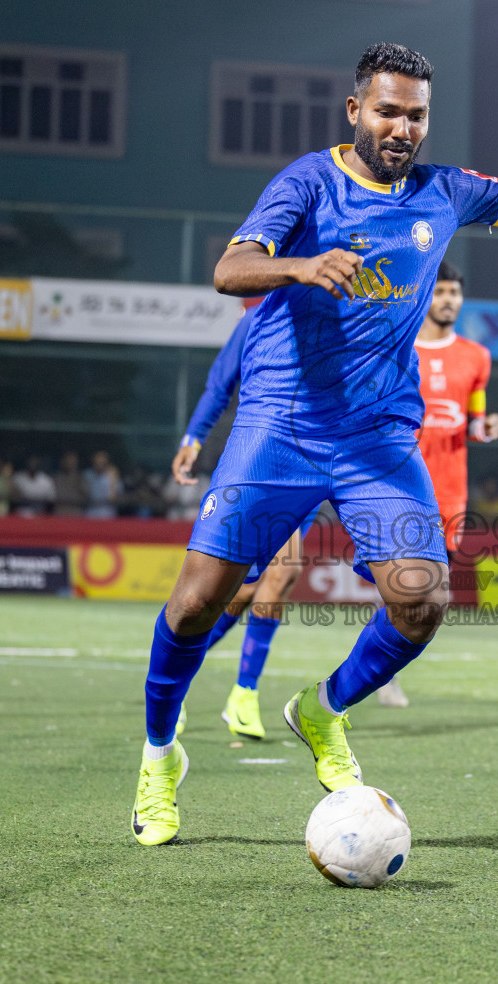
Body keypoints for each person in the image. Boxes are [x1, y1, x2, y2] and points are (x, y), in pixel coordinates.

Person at [129, 41, 498, 846]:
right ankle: (160, 757)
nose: (402, 127)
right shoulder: (308, 180)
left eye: (416, 115)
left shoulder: (445, 193)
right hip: (280, 424)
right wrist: (301, 267)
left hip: (376, 437)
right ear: (355, 111)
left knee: (421, 599)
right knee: (199, 601)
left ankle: (322, 709)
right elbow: (230, 270)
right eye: (388, 111)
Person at [169, 302, 315, 740]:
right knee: (240, 588)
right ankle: (175, 677)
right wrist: (193, 439)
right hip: (258, 459)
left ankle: (244, 695)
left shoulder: (341, 314)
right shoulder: (260, 317)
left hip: (310, 462)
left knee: (283, 575)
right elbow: (220, 382)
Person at [387, 259, 498, 707]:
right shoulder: (400, 348)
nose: (448, 300)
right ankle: (382, 673)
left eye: (454, 293)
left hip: (451, 490)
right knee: (402, 581)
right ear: (424, 295)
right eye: (439, 292)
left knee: (433, 592)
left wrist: (487, 426)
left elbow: (474, 420)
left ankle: (387, 665)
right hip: (399, 484)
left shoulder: (477, 357)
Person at [84, 451, 122, 518]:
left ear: (107, 463)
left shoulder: (112, 476)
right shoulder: (87, 475)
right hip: (90, 513)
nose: (99, 465)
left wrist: (113, 479)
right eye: (97, 463)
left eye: (102, 463)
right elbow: (83, 494)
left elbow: (114, 497)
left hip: (107, 514)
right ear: (93, 462)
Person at [52, 450, 86, 517]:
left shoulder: (81, 479)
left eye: (72, 461)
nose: (69, 463)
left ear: (76, 462)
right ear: (63, 461)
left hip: (75, 513)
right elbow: (52, 497)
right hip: (59, 512)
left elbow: (85, 497)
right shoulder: (56, 478)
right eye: (67, 461)